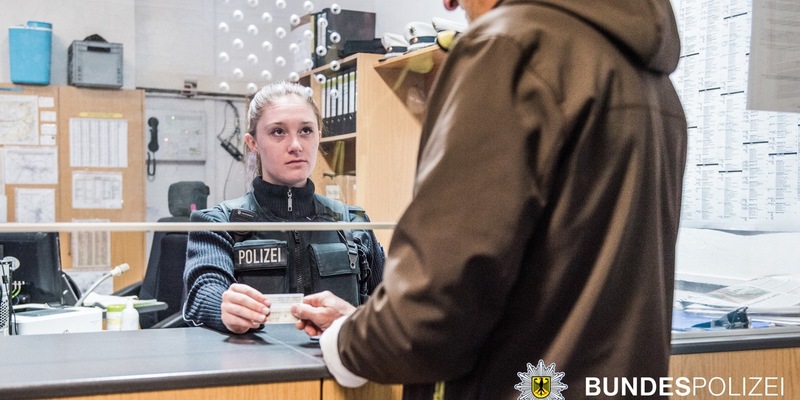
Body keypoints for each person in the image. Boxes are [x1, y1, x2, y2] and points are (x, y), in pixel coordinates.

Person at [291, 0, 687, 399]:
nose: (449, 3)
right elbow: (560, 282)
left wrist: (346, 342)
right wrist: (367, 323)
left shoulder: (510, 46)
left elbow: (431, 312)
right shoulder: (652, 83)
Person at [183, 81, 385, 334]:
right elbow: (203, 292)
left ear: (319, 136)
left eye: (306, 131)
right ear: (252, 142)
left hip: (337, 367)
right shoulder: (218, 222)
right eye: (278, 132)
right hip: (255, 369)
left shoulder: (352, 224)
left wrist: (353, 319)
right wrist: (223, 307)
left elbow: (390, 307)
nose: (296, 145)